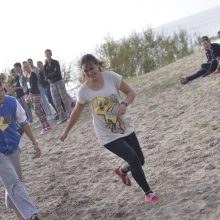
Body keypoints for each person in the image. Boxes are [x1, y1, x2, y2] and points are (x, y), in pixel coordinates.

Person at [60, 54, 159, 203]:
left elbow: (130, 93)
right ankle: (148, 193)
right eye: (86, 70)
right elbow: (76, 112)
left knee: (140, 160)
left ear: (98, 65)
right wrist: (66, 131)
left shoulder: (111, 77)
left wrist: (124, 104)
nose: (90, 73)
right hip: (107, 135)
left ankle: (122, 170)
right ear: (82, 71)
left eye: (92, 68)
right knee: (132, 157)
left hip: (124, 127)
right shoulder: (83, 92)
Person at [0, 81, 41, 220]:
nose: (1, 94)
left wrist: (35, 143)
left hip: (13, 147)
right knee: (14, 182)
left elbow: (23, 122)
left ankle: (19, 215)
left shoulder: (11, 102)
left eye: (1, 90)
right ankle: (31, 214)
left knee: (15, 181)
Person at [44, 49, 72, 123]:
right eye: (46, 54)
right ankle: (62, 117)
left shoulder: (56, 62)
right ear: (45, 55)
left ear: (51, 54)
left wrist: (50, 75)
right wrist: (51, 74)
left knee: (64, 98)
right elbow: (46, 77)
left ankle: (70, 114)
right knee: (56, 101)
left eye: (49, 53)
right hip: (52, 84)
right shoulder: (45, 66)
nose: (48, 55)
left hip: (59, 82)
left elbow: (57, 73)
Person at [23, 62, 51, 134]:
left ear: (29, 66)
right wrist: (26, 94)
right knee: (40, 111)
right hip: (32, 95)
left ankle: (44, 127)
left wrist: (29, 95)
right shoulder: (27, 76)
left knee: (36, 111)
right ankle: (47, 125)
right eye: (25, 67)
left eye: (27, 66)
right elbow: (28, 87)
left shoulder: (33, 74)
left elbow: (33, 85)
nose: (26, 68)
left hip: (36, 94)